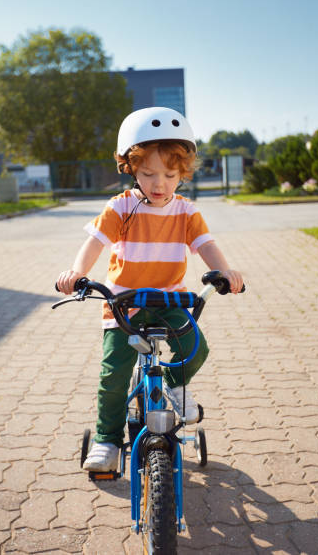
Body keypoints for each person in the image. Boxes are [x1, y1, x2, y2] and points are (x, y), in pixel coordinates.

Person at [56, 107, 244, 472]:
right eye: (148, 174)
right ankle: (107, 440)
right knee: (113, 376)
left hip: (170, 299)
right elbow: (95, 242)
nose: (159, 184)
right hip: (124, 305)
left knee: (195, 349)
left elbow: (206, 246)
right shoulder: (122, 207)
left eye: (170, 175)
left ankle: (173, 385)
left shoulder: (187, 212)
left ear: (183, 173)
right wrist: (77, 273)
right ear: (130, 168)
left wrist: (224, 271)